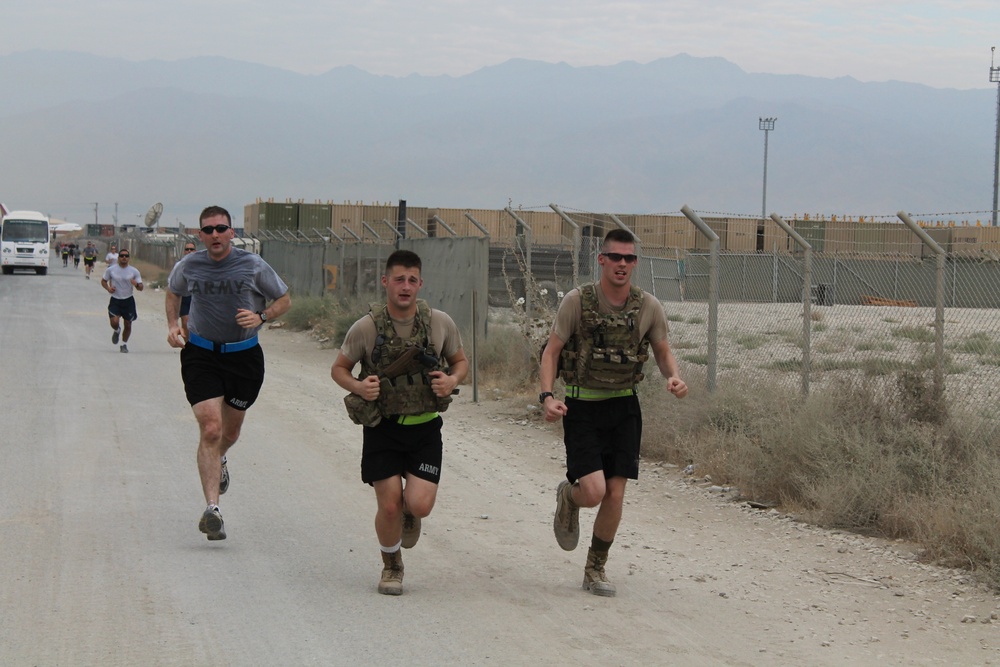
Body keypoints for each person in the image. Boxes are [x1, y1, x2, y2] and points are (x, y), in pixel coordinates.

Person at [539, 228, 688, 598]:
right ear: (601, 259)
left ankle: (595, 568)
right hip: (582, 406)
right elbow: (551, 352)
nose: (622, 264)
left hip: (624, 407)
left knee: (615, 494)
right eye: (616, 257)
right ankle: (569, 497)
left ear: (635, 262)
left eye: (629, 258)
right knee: (593, 491)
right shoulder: (577, 301)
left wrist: (673, 376)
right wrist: (547, 396)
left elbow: (662, 350)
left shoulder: (648, 306)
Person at [331, 250, 468, 595]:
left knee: (419, 504)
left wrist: (452, 380)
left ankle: (411, 513)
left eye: (411, 280)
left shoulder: (439, 323)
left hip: (425, 428)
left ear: (420, 284)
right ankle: (392, 565)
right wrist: (359, 387)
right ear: (385, 282)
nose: (405, 286)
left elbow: (461, 362)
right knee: (389, 503)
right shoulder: (367, 327)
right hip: (383, 428)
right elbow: (339, 369)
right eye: (398, 279)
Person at [165, 206, 290, 542]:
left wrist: (262, 317)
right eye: (208, 230)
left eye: (221, 228)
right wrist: (173, 325)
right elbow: (173, 291)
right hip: (201, 354)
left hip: (243, 357)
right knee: (211, 427)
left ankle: (220, 457)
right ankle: (212, 510)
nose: (215, 235)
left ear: (232, 233)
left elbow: (284, 299)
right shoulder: (190, 265)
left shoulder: (252, 264)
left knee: (230, 433)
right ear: (200, 235)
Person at [101, 248, 144, 353]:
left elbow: (141, 287)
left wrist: (136, 284)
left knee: (128, 324)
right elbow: (103, 281)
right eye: (122, 256)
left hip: (128, 300)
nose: (124, 257)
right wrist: (108, 288)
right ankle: (117, 330)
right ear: (118, 257)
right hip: (115, 300)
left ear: (129, 258)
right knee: (114, 322)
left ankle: (123, 344)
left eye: (126, 256)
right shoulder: (111, 270)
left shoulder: (134, 271)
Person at [178, 242, 197, 340]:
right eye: (187, 249)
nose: (189, 251)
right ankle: (188, 344)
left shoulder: (202, 265)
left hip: (197, 297)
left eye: (191, 249)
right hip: (184, 297)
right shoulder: (179, 266)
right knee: (185, 322)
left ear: (195, 251)